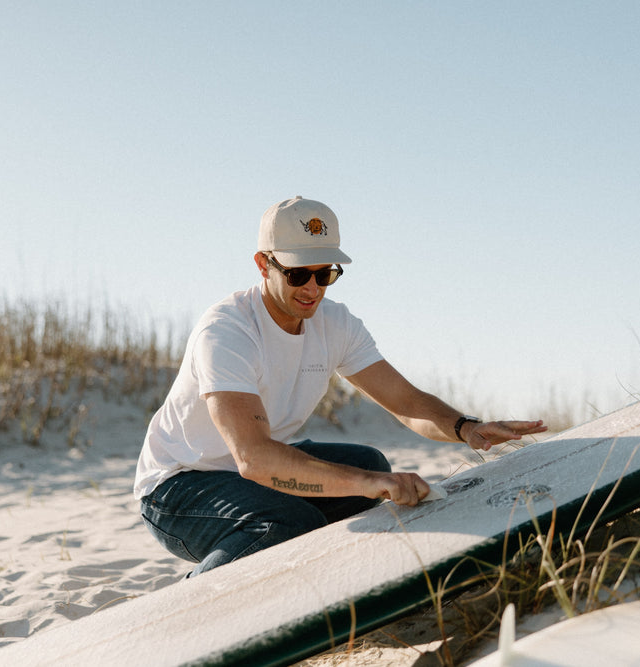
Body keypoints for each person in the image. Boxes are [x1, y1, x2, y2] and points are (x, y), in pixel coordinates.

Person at [134, 196, 546, 576]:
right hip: (178, 484)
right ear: (264, 264)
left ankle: (310, 584)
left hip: (248, 472)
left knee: (371, 465)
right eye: (298, 273)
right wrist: (365, 483)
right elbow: (254, 458)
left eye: (325, 273)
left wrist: (466, 428)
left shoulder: (337, 324)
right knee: (289, 521)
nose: (313, 288)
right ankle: (189, 607)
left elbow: (404, 401)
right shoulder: (227, 331)